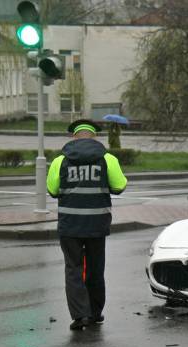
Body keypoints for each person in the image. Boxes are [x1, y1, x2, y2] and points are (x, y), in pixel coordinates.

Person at [46, 119, 127, 330]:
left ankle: (79, 315)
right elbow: (119, 186)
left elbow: (53, 190)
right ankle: (95, 313)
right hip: (96, 225)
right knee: (95, 269)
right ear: (94, 137)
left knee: (73, 269)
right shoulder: (108, 159)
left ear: (74, 137)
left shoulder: (59, 161)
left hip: (70, 225)